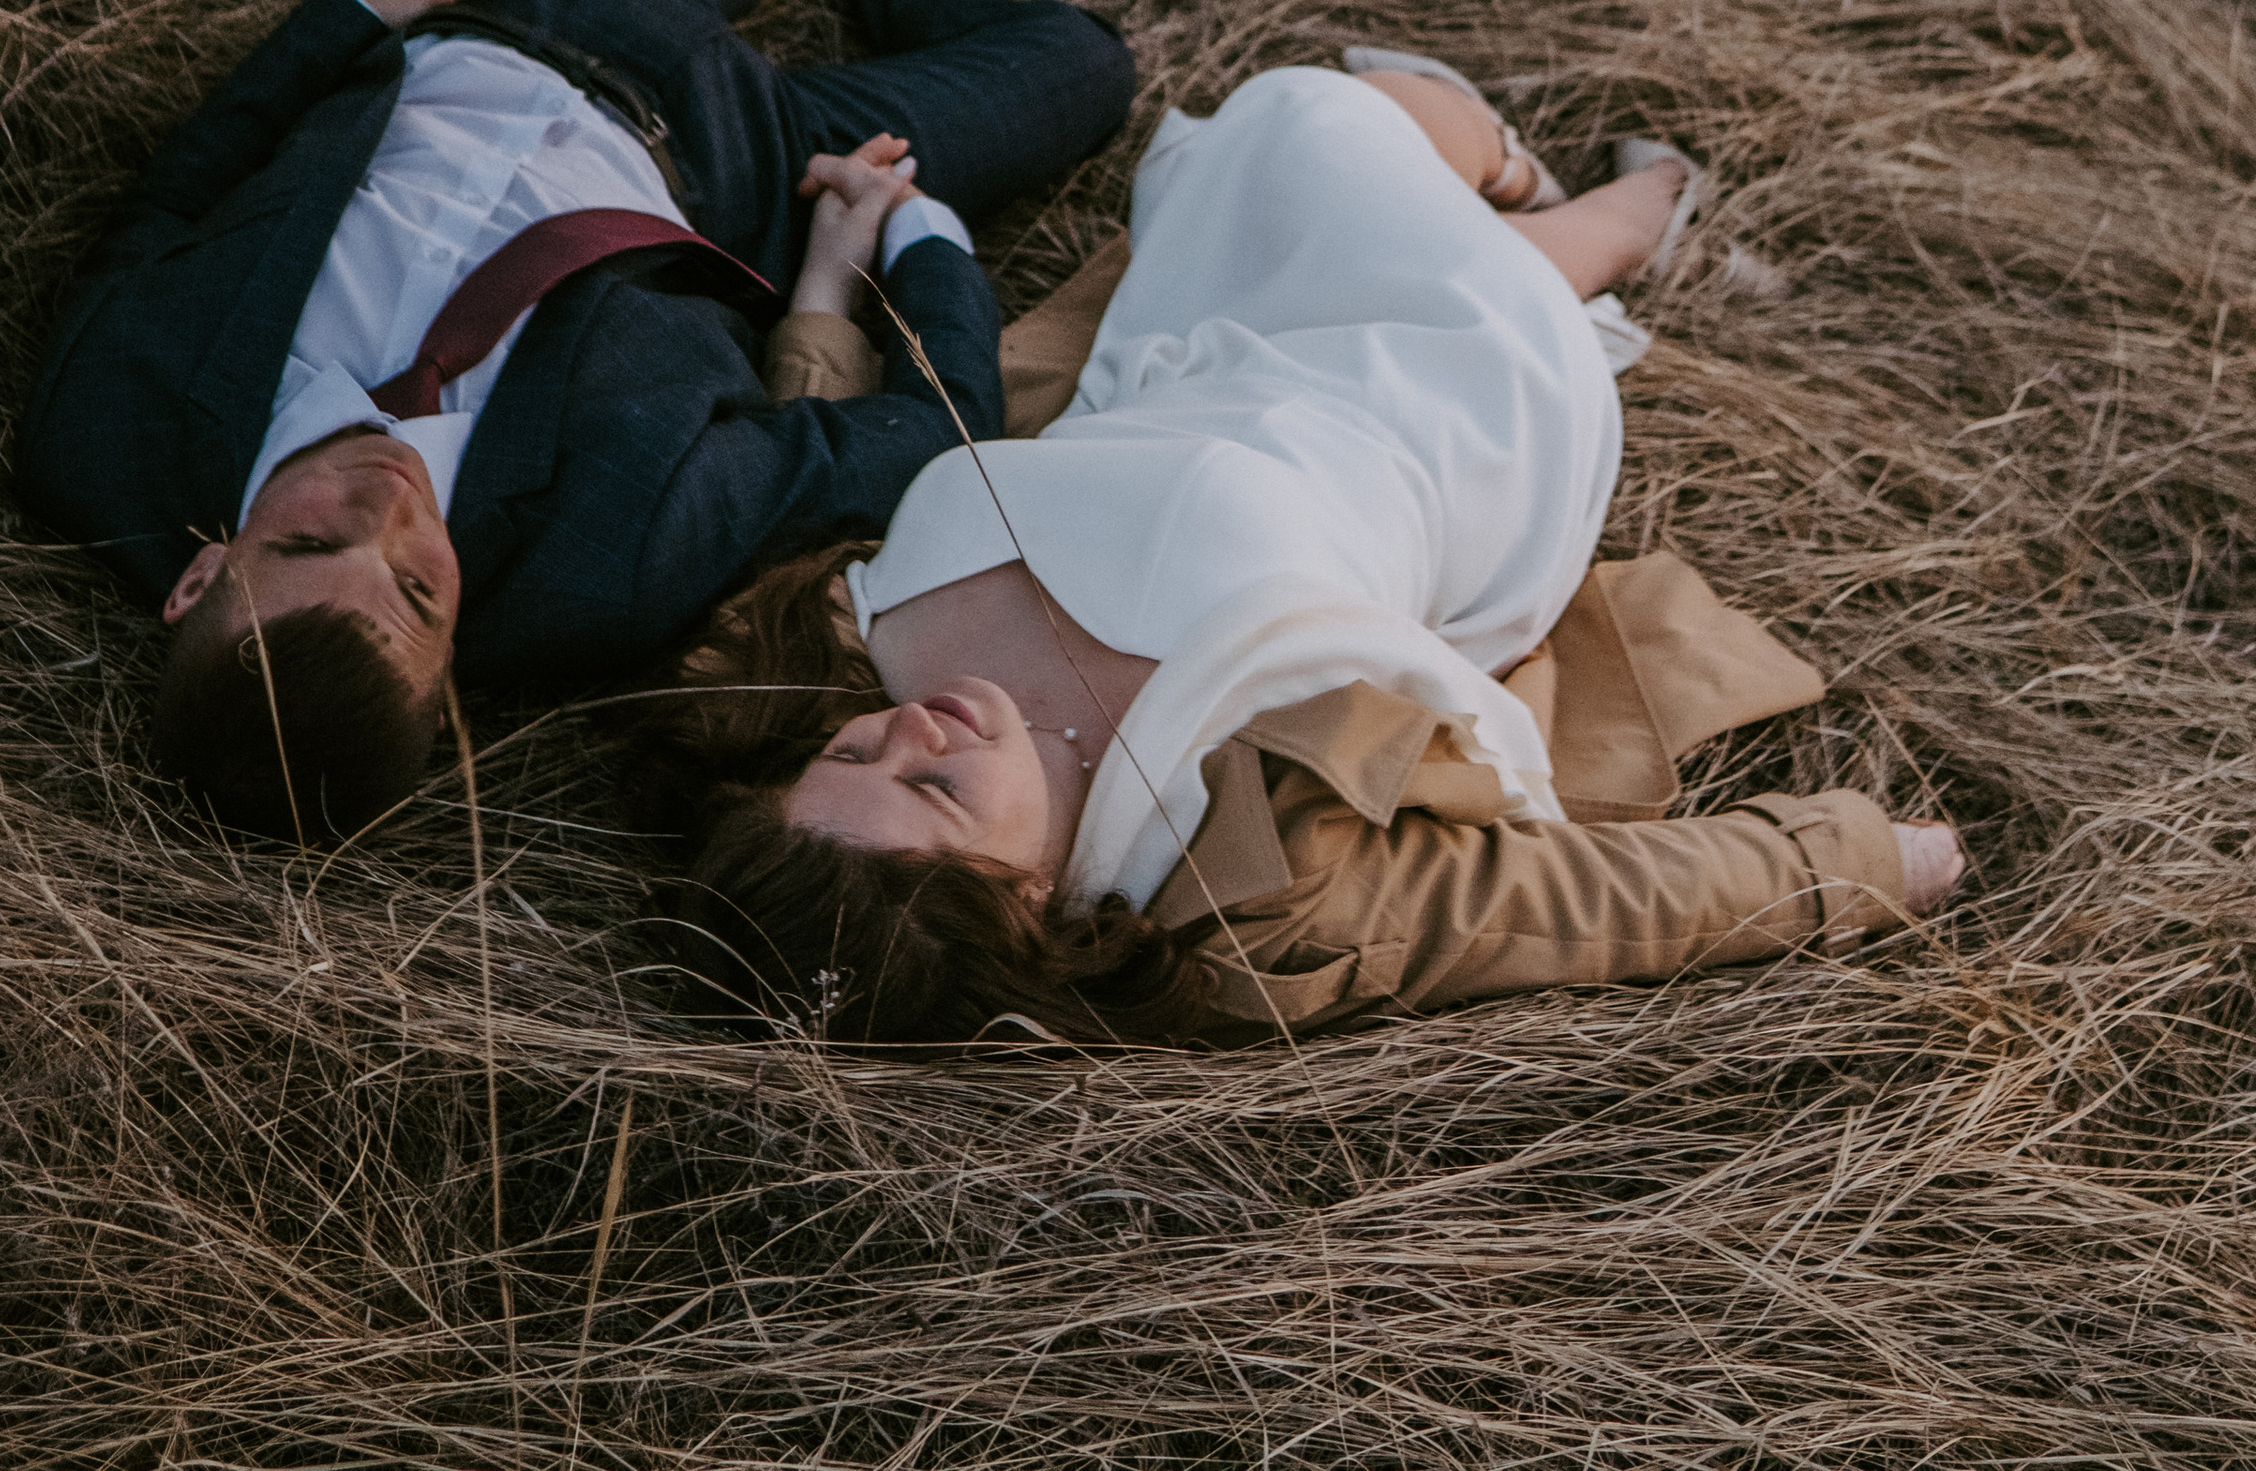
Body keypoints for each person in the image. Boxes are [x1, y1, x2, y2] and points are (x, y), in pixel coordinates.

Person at [18, 0, 1134, 840]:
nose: (385, 508)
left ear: (202, 576)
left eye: (309, 537)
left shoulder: (102, 425)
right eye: (416, 587)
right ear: (448, 665)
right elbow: (926, 438)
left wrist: (348, 15)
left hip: (517, 14)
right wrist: (909, 232)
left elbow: (172, 196)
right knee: (1077, 68)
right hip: (739, 160)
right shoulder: (609, 556)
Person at [627, 58, 1967, 1042]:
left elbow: (814, 462)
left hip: (1189, 368)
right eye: (936, 794)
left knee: (1291, 118)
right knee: (1386, 178)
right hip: (1444, 441)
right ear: (1027, 905)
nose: (914, 728)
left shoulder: (816, 650)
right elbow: (1570, 903)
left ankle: (1505, 179)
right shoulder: (1251, 886)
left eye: (855, 753)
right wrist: (1864, 863)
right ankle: (1630, 215)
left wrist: (828, 278)